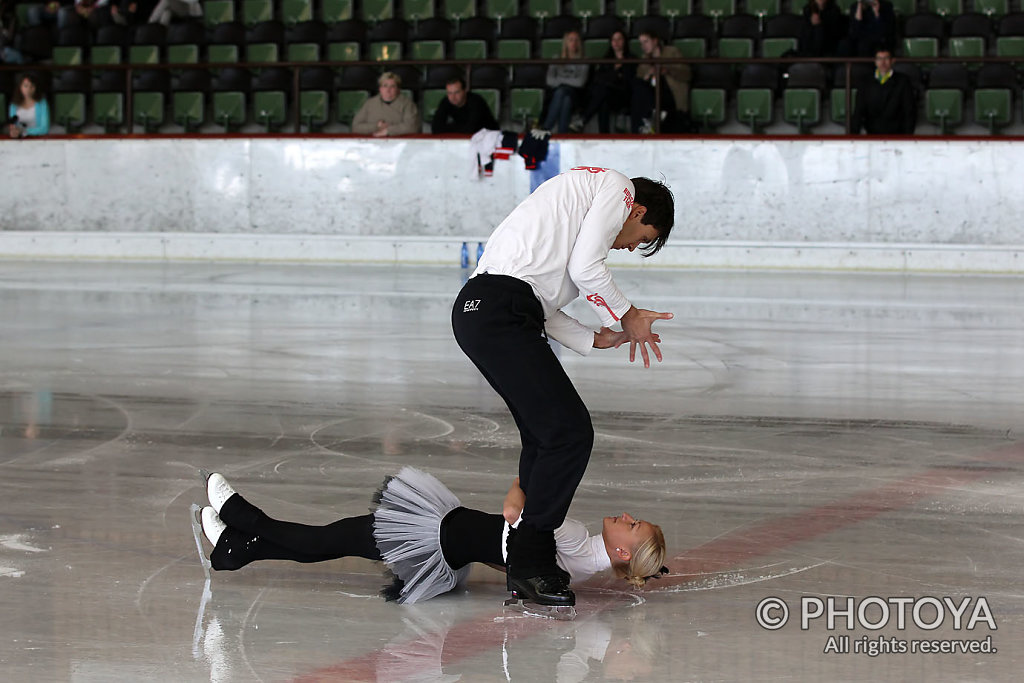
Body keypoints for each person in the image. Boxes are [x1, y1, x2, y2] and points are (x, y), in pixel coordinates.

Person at [451, 167, 676, 609]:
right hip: (499, 311)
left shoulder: (569, 219)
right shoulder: (617, 187)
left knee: (546, 434)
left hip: (485, 310)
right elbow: (585, 269)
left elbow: (540, 301)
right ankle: (531, 559)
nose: (631, 247)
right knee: (570, 433)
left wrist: (596, 337)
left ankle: (526, 558)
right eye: (641, 238)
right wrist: (627, 315)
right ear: (638, 209)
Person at [194, 468, 668, 605]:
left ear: (621, 549)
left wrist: (518, 486)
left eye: (631, 523)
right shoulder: (588, 565)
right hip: (444, 538)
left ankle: (243, 519)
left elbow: (516, 506)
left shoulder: (575, 537)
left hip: (433, 536)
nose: (625, 515)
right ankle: (238, 548)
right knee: (335, 539)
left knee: (329, 539)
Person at [631, 30, 691, 133]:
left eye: (646, 42)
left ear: (655, 41)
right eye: (641, 43)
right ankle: (641, 128)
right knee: (638, 87)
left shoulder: (672, 52)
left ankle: (650, 121)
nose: (643, 46)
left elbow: (687, 74)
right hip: (651, 96)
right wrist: (648, 75)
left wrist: (666, 70)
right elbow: (640, 80)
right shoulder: (644, 59)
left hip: (671, 95)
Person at [851, 46, 916, 135]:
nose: (883, 63)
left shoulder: (903, 81)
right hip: (872, 134)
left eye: (886, 58)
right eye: (879, 59)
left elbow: (909, 111)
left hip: (897, 135)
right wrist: (854, 137)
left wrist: (907, 138)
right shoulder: (865, 82)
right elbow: (858, 111)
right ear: (875, 61)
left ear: (892, 61)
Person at [581, 30, 636, 134]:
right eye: (613, 40)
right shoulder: (606, 59)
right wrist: (616, 75)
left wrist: (612, 76)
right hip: (608, 95)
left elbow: (628, 80)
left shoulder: (632, 59)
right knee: (604, 99)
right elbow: (598, 78)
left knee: (603, 91)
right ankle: (604, 135)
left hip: (623, 96)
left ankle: (584, 118)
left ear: (624, 41)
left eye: (619, 39)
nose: (616, 42)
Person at [542, 29, 589, 133]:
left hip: (576, 95)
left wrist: (561, 81)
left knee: (562, 91)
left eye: (576, 40)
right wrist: (568, 81)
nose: (573, 43)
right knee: (565, 98)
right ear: (566, 43)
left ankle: (546, 128)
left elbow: (580, 82)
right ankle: (562, 134)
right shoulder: (556, 58)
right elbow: (549, 80)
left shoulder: (584, 60)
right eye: (571, 40)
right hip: (557, 95)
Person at [351, 70, 421, 137]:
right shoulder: (370, 104)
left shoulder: (407, 104)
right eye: (385, 86)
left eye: (392, 86)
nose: (388, 90)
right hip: (373, 143)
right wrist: (377, 126)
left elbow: (412, 127)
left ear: (398, 89)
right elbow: (356, 127)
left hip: (400, 144)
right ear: (380, 89)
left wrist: (388, 131)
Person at [431, 75, 500, 134]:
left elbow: (471, 129)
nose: (453, 97)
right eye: (449, 93)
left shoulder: (476, 101)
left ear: (465, 91)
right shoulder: (446, 101)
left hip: (489, 137)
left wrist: (450, 127)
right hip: (467, 138)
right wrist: (459, 127)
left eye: (457, 92)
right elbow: (436, 128)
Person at [8, 72, 49, 138]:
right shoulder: (13, 105)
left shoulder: (42, 103)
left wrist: (24, 131)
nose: (28, 89)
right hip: (20, 139)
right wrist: (14, 132)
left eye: (32, 86)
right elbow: (13, 126)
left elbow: (44, 129)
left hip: (38, 138)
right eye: (25, 86)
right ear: (20, 87)